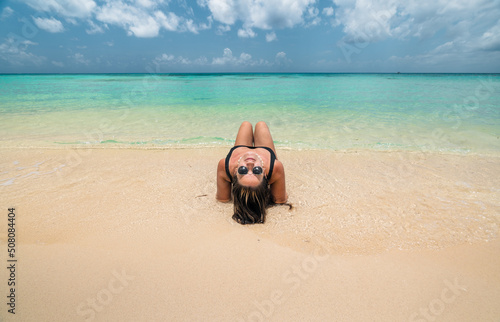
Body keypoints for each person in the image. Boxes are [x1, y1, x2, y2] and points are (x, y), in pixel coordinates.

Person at [216, 121, 288, 224]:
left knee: (246, 124)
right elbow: (280, 200)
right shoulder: (274, 167)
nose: (250, 164)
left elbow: (223, 199)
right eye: (257, 171)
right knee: (261, 124)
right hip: (265, 150)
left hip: (239, 150)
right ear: (264, 173)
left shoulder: (225, 165)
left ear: (236, 172)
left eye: (243, 170)